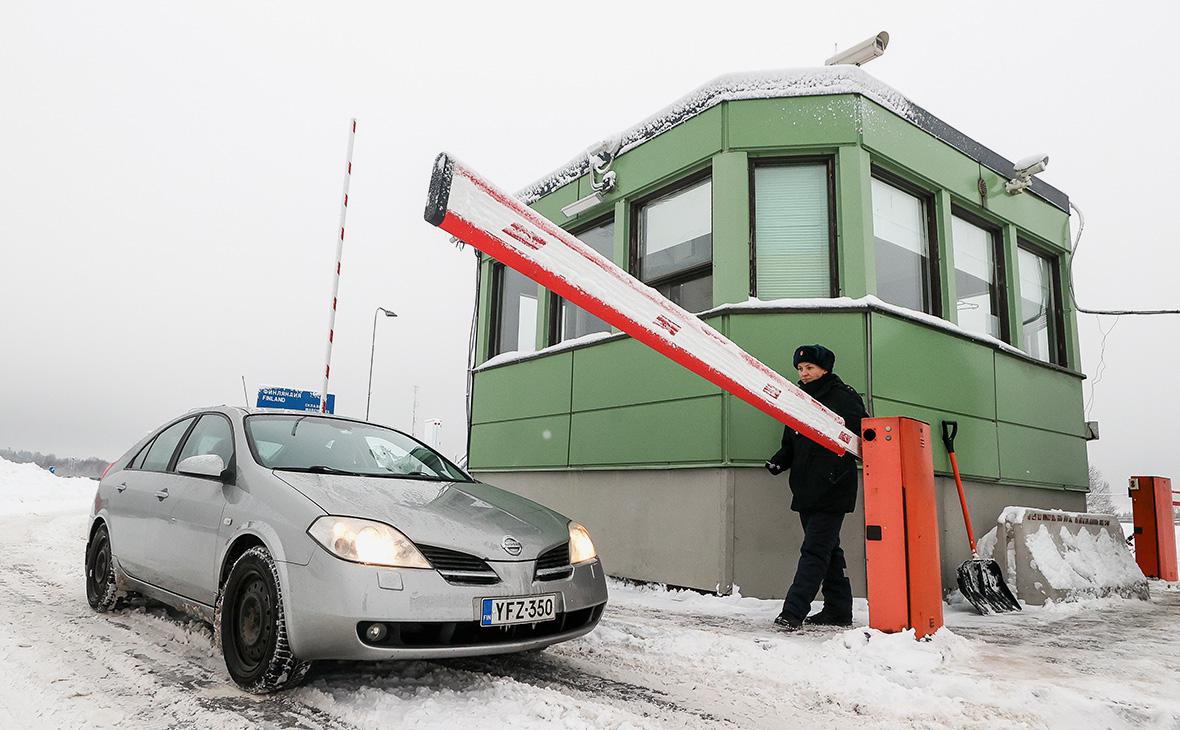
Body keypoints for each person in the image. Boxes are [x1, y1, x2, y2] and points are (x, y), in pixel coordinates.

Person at [765, 344, 868, 632]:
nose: (804, 373)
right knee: (829, 550)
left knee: (814, 551)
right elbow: (791, 442)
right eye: (800, 368)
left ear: (825, 369)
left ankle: (793, 612)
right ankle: (838, 609)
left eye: (809, 367)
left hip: (833, 486)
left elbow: (864, 434)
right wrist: (780, 461)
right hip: (805, 487)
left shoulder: (843, 397)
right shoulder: (799, 400)